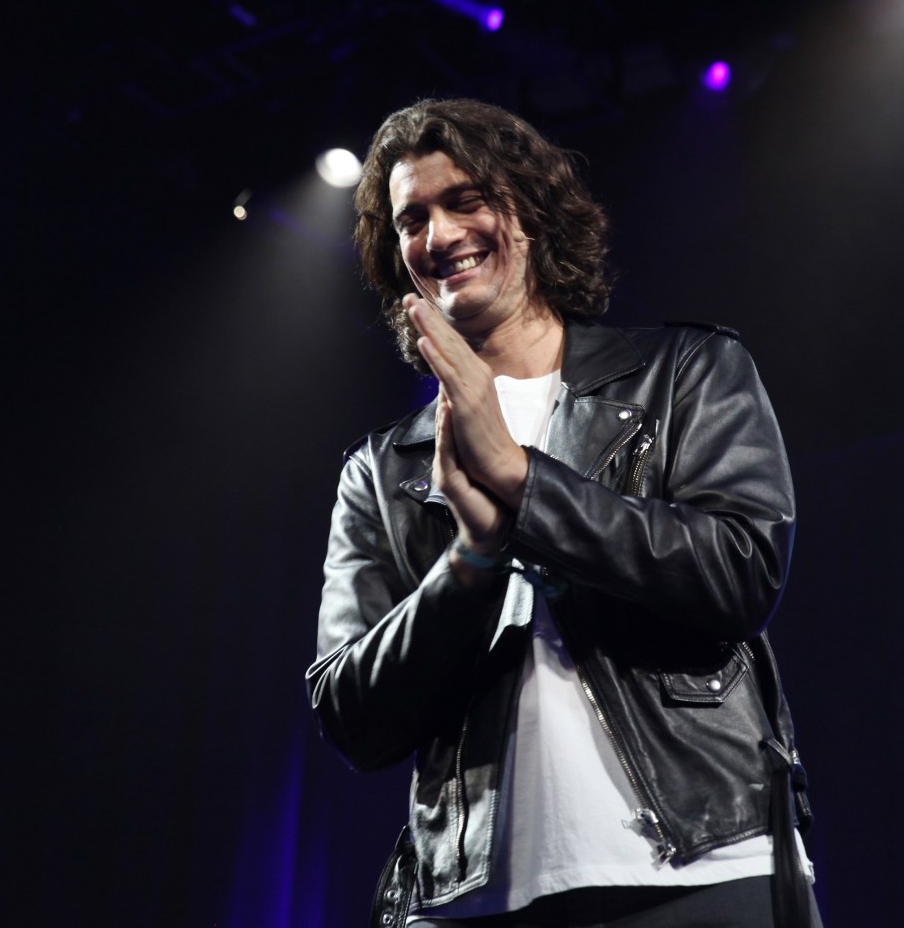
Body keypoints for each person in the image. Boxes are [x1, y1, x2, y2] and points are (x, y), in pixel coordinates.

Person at [306, 98, 818, 928]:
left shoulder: (685, 373)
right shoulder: (383, 467)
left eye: (466, 200)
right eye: (412, 220)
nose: (438, 236)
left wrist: (523, 480)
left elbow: (740, 571)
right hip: (476, 901)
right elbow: (352, 713)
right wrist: (470, 559)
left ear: (532, 215)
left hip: (700, 868)